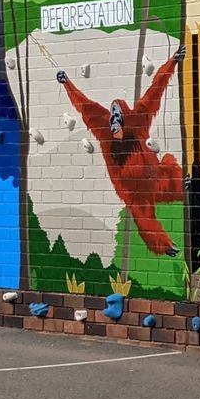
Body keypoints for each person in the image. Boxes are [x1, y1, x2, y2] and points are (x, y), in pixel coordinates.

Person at [56, 51, 184, 256]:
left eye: (117, 116)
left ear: (125, 117)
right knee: (144, 218)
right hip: (133, 192)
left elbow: (156, 89)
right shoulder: (103, 129)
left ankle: (190, 187)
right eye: (112, 116)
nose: (114, 121)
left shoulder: (138, 119)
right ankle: (164, 246)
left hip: (155, 177)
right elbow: (84, 105)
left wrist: (172, 62)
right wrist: (67, 83)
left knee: (173, 171)